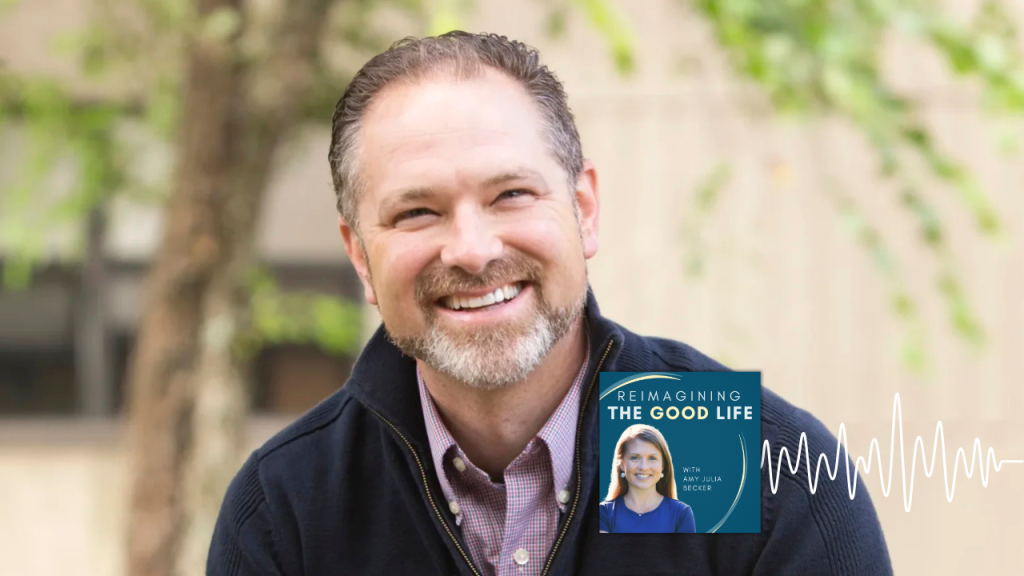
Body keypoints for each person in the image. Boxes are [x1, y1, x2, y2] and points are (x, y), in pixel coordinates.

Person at [208, 31, 893, 576]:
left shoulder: (750, 465)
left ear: (583, 210)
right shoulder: (288, 508)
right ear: (360, 256)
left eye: (511, 194)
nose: (471, 251)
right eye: (417, 212)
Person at [599, 424, 695, 533]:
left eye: (652, 458)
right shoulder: (603, 513)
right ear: (621, 464)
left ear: (663, 465)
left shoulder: (681, 514)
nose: (643, 467)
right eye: (635, 457)